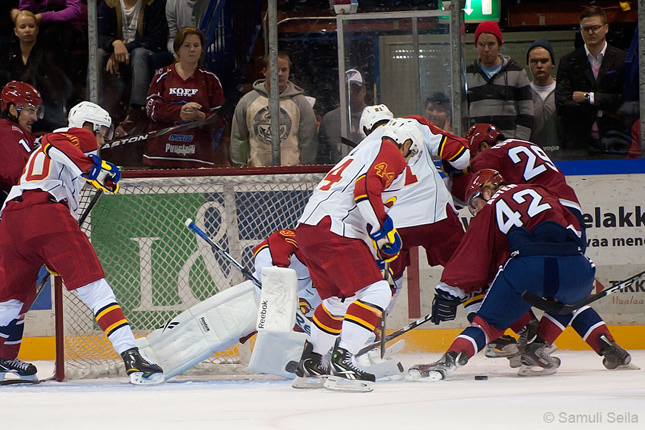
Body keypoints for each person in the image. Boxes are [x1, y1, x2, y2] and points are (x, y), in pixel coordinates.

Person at [0, 101, 163, 385]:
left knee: (11, 300)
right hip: (44, 211)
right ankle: (132, 356)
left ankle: (2, 360)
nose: (100, 140)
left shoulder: (53, 158)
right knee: (95, 289)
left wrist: (53, 254)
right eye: (101, 132)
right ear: (89, 126)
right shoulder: (76, 135)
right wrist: (95, 169)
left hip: (13, 218)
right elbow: (55, 141)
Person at [450, 123, 631, 370]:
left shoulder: (486, 157)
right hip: (567, 213)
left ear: (482, 146)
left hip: (541, 218)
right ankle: (603, 343)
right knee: (565, 283)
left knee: (510, 275)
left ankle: (528, 333)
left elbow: (484, 190)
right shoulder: (527, 145)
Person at [407, 169, 595, 381]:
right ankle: (538, 347)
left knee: (487, 325)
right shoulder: (541, 191)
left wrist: (449, 290)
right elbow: (576, 231)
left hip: (527, 269)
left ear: (487, 190)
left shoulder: (490, 208)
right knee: (569, 303)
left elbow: (475, 252)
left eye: (475, 203)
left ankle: (448, 361)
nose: (476, 210)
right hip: (577, 267)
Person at [292, 118, 421, 390]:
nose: (407, 161)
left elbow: (362, 199)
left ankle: (312, 363)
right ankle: (344, 361)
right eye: (410, 154)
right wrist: (386, 232)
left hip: (309, 229)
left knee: (338, 302)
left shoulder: (364, 151)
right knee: (378, 292)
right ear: (406, 142)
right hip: (333, 230)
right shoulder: (392, 149)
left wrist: (378, 238)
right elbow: (366, 192)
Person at [144, 26, 225, 168]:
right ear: (177, 49)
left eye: (196, 45)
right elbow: (152, 110)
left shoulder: (210, 79)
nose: (192, 49)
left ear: (201, 49)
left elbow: (221, 118)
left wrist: (200, 116)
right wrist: (178, 112)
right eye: (187, 45)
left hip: (197, 157)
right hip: (161, 155)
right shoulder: (162, 75)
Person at [555, 6, 628, 157]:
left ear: (606, 28)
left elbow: (624, 100)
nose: (590, 32)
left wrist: (589, 97)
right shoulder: (568, 62)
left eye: (595, 27)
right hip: (577, 144)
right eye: (585, 28)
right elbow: (562, 103)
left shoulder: (622, 60)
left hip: (615, 140)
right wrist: (602, 109)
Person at [230, 51, 318, 167]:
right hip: (256, 175)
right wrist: (240, 169)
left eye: (284, 69)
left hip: (293, 175)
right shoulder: (247, 101)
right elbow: (238, 138)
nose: (280, 74)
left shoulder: (300, 102)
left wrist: (306, 168)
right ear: (264, 71)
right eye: (274, 69)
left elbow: (308, 140)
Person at [97, 0, 168, 139]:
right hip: (113, 52)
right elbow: (96, 34)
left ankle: (136, 112)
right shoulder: (108, 3)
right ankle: (94, 110)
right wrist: (114, 43)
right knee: (98, 55)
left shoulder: (153, 4)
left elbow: (157, 38)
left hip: (141, 54)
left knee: (139, 53)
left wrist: (125, 48)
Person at [1, 9, 73, 132]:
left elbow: (57, 88)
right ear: (16, 31)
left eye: (31, 26)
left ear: (37, 29)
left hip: (46, 112)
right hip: (15, 113)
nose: (27, 30)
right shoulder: (8, 55)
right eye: (23, 27)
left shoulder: (50, 54)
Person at [466, 21, 533, 140]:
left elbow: (526, 112)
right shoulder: (467, 74)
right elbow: (461, 114)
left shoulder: (517, 72)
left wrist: (518, 143)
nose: (486, 49)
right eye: (481, 44)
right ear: (476, 45)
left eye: (491, 44)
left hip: (509, 143)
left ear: (499, 45)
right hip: (478, 144)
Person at [0, 81, 41, 208]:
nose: (35, 118)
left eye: (37, 111)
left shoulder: (18, 133)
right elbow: (19, 177)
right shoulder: (7, 132)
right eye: (30, 110)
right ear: (13, 110)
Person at [317, 68, 368, 163]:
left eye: (356, 88)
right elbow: (322, 155)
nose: (351, 93)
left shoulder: (376, 119)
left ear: (364, 91)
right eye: (347, 89)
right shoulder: (329, 120)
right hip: (338, 173)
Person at [526, 39, 561, 158]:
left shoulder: (562, 92)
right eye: (534, 61)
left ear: (552, 63)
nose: (539, 65)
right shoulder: (524, 94)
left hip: (563, 156)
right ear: (528, 64)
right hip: (532, 157)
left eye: (544, 61)